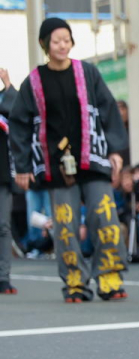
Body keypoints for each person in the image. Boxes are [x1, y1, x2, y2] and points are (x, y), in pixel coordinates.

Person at [9, 17, 129, 303]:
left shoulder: (87, 72)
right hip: (56, 164)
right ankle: (75, 281)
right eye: (56, 41)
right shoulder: (34, 81)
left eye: (67, 39)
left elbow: (108, 108)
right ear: (44, 45)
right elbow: (19, 123)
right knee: (65, 225)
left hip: (94, 158)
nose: (62, 45)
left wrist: (115, 150)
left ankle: (110, 276)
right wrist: (23, 166)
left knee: (105, 217)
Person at [0, 66, 18, 295]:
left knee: (3, 227)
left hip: (2, 174)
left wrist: (7, 84)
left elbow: (16, 110)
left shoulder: (3, 102)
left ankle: (3, 277)